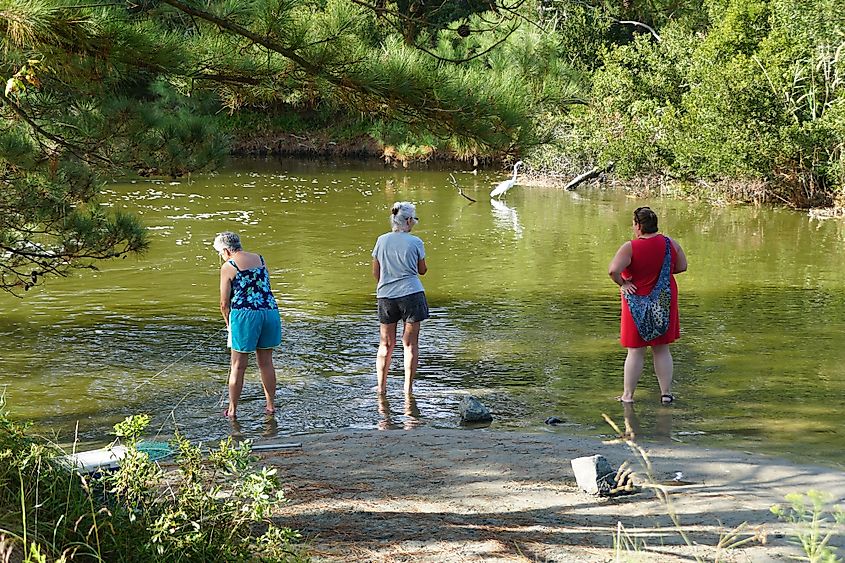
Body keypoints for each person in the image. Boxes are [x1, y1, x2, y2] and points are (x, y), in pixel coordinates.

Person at [608, 207, 687, 405]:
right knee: (661, 349)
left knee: (635, 351)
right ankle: (666, 394)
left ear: (638, 226)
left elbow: (613, 271)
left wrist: (624, 284)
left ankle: (628, 396)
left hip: (636, 300)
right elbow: (682, 266)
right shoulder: (670, 244)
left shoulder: (630, 247)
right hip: (664, 301)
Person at [214, 231, 282, 419]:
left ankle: (233, 410)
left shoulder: (229, 266)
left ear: (226, 251)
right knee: (266, 363)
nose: (221, 257)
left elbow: (224, 303)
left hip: (245, 315)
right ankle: (270, 406)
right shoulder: (260, 258)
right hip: (269, 312)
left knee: (238, 366)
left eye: (220, 253)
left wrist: (229, 325)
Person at [372, 201, 429, 395]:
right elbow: (422, 271)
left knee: (386, 343)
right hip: (412, 294)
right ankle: (408, 389)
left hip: (386, 296)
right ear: (409, 220)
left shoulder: (381, 240)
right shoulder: (416, 242)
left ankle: (381, 388)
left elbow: (376, 273)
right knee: (410, 343)